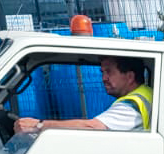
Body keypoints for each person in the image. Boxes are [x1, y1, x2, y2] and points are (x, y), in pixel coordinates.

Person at [13, 56, 152, 134]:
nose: (104, 78)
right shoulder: (145, 94)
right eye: (102, 72)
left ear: (129, 77)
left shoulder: (131, 106)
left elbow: (92, 127)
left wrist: (38, 125)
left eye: (109, 72)